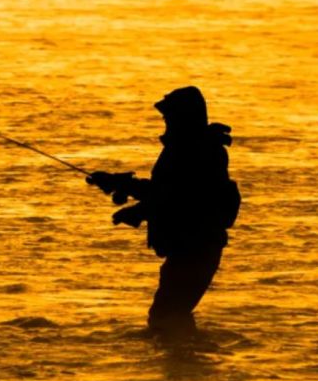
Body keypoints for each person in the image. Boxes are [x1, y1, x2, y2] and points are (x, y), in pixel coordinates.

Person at [87, 86, 241, 338]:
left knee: (165, 318)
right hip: (191, 250)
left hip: (196, 250)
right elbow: (165, 190)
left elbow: (179, 197)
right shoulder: (187, 148)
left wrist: (135, 212)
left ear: (184, 117)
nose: (166, 121)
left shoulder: (197, 151)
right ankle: (189, 365)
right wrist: (118, 183)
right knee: (170, 318)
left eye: (170, 116)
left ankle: (184, 369)